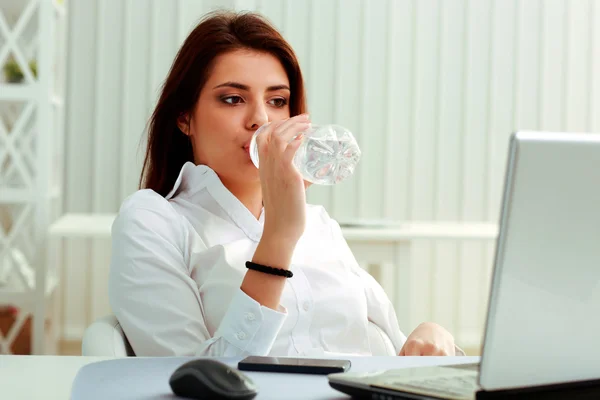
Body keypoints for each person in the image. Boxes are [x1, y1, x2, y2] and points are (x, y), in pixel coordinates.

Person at [108, 10, 463, 357]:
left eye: (277, 101)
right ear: (184, 117)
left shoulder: (319, 223)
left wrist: (431, 336)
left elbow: (392, 347)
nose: (260, 119)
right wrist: (278, 236)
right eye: (233, 99)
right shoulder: (154, 220)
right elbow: (194, 381)